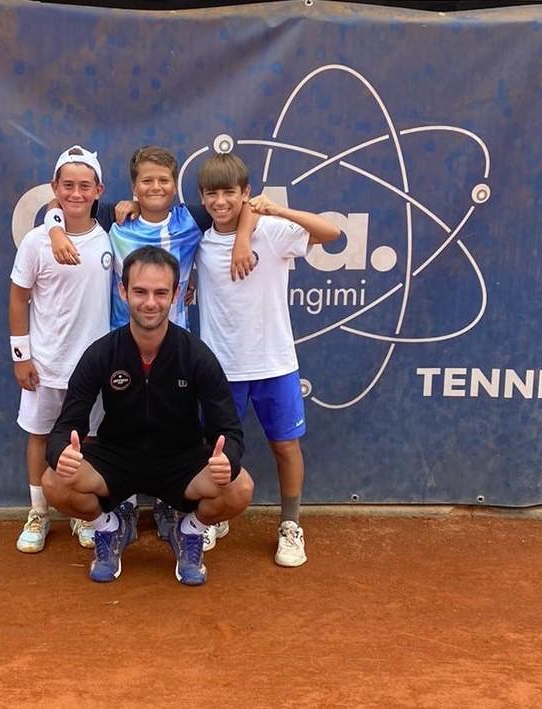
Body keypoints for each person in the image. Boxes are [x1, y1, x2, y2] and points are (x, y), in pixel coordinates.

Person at [43, 145, 256, 540]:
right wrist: (55, 228)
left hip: (175, 345)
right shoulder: (112, 216)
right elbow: (63, 206)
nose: (155, 187)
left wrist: (244, 238)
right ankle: (115, 511)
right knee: (108, 429)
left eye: (164, 180)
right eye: (147, 181)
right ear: (133, 188)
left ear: (175, 187)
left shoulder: (192, 216)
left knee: (183, 427)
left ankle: (177, 513)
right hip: (123, 342)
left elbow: (247, 204)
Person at [43, 246, 254, 585]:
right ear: (123, 291)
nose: (150, 302)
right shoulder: (102, 353)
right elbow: (66, 426)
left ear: (176, 294)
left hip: (181, 463)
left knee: (240, 487)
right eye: (140, 291)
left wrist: (227, 458)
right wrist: (60, 453)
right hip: (116, 460)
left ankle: (189, 531)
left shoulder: (197, 356)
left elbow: (229, 429)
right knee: (54, 481)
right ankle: (108, 529)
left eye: (160, 292)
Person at [194, 151, 341, 567]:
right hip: (220, 368)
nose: (220, 202)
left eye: (229, 193)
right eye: (211, 194)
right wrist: (241, 233)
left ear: (246, 194)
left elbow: (331, 233)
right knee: (215, 450)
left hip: (275, 364)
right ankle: (214, 516)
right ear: (202, 198)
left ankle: (290, 525)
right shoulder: (201, 243)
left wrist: (272, 209)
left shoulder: (273, 231)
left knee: (285, 446)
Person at [9, 146, 112, 553]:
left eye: (84, 186)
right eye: (67, 185)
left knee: (86, 441)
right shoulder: (36, 242)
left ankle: (81, 512)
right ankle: (38, 512)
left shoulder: (109, 237)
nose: (75, 193)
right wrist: (22, 357)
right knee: (39, 436)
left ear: (98, 190)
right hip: (45, 365)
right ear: (55, 188)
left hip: (94, 371)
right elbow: (18, 299)